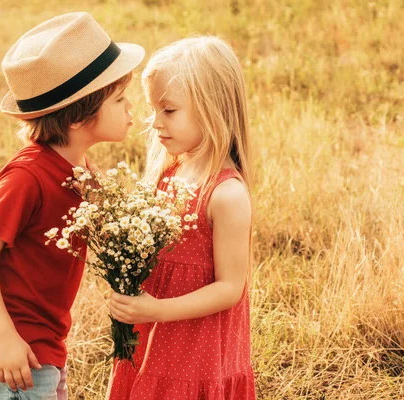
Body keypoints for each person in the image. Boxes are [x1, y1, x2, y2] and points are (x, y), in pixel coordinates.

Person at [0, 12, 144, 400]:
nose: (130, 108)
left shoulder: (81, 169)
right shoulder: (28, 177)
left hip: (43, 339)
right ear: (81, 115)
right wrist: (4, 337)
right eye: (120, 99)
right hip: (12, 348)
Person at [107, 36, 256, 400]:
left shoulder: (227, 194)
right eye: (153, 109)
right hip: (153, 337)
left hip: (198, 351)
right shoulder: (170, 173)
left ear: (212, 109)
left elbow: (230, 288)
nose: (155, 123)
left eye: (169, 111)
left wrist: (157, 309)